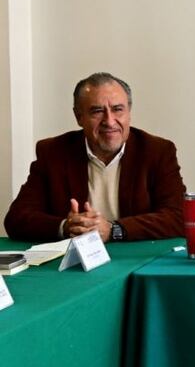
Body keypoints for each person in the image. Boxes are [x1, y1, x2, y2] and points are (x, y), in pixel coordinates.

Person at [4, 72, 185, 242]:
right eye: (97, 111)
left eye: (117, 109)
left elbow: (179, 216)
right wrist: (66, 227)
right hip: (76, 266)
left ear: (129, 112)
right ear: (78, 117)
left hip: (137, 260)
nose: (109, 121)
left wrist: (114, 230)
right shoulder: (53, 152)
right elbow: (17, 218)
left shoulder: (157, 151)